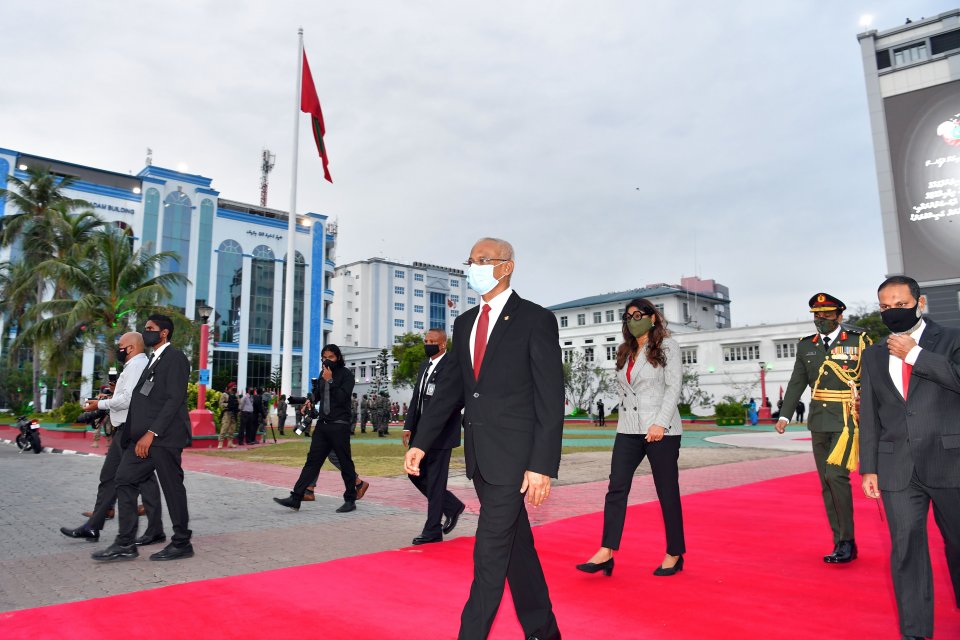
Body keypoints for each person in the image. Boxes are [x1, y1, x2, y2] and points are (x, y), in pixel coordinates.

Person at [404, 237, 563, 640]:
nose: (474, 267)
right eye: (471, 261)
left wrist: (542, 464)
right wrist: (421, 441)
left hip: (515, 457)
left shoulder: (535, 319)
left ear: (506, 266)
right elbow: (452, 391)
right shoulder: (464, 322)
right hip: (480, 456)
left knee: (489, 554)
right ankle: (544, 630)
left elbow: (549, 398)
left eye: (483, 260)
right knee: (516, 549)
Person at [860, 276, 960, 640]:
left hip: (951, 460)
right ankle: (915, 631)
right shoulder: (872, 354)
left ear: (920, 303)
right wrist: (868, 467)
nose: (892, 313)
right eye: (885, 307)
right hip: (897, 466)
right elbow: (870, 413)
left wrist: (914, 355)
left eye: (899, 305)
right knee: (906, 549)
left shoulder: (951, 338)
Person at [577, 299, 685, 578]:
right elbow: (626, 391)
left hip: (660, 430)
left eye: (638, 314)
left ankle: (675, 552)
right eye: (628, 316)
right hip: (627, 428)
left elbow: (674, 387)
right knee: (616, 488)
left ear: (652, 318)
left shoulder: (667, 346)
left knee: (666, 490)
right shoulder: (626, 350)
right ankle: (606, 551)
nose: (632, 319)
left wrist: (660, 423)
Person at [775, 292, 872, 564]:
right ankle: (840, 540)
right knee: (826, 482)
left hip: (846, 419)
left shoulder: (858, 341)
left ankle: (847, 540)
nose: (822, 319)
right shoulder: (807, 345)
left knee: (836, 476)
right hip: (818, 420)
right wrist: (784, 415)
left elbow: (871, 378)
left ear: (840, 315)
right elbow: (797, 382)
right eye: (817, 315)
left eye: (827, 314)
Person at [93, 314, 193, 562]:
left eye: (150, 328)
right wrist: (131, 435)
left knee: (172, 489)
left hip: (165, 437)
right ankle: (125, 543)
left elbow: (174, 400)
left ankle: (181, 543)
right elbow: (143, 400)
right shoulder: (152, 361)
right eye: (144, 328)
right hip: (144, 439)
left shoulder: (175, 359)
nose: (145, 332)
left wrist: (151, 433)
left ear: (164, 333)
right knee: (124, 479)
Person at [61, 332, 164, 546]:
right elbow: (126, 397)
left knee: (129, 480)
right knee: (121, 479)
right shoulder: (136, 365)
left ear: (132, 348)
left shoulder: (136, 366)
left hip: (131, 431)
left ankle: (130, 536)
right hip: (125, 430)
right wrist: (109, 399)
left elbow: (129, 400)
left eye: (121, 345)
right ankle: (94, 527)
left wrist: (99, 405)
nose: (118, 348)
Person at [274, 344, 362, 513]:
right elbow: (319, 393)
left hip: (339, 425)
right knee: (312, 462)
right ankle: (296, 497)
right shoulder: (322, 374)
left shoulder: (346, 375)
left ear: (338, 358)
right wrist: (310, 400)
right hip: (323, 425)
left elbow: (342, 397)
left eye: (331, 357)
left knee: (345, 462)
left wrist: (330, 380)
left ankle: (350, 499)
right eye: (324, 357)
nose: (327, 360)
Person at [402, 327, 466, 545]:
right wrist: (408, 426)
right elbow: (416, 398)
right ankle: (451, 506)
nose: (427, 343)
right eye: (425, 340)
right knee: (415, 474)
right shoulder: (424, 365)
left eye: (432, 341)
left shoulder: (452, 366)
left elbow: (448, 403)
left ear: (443, 344)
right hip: (420, 433)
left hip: (441, 434)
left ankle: (432, 530)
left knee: (436, 482)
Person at [218, 381, 239, 448]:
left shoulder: (235, 395)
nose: (234, 388)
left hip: (234, 413)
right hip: (227, 413)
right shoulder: (224, 394)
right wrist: (228, 405)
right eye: (233, 387)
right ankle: (220, 442)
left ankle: (230, 443)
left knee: (232, 428)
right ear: (230, 387)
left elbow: (239, 402)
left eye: (235, 387)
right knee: (225, 427)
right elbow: (220, 404)